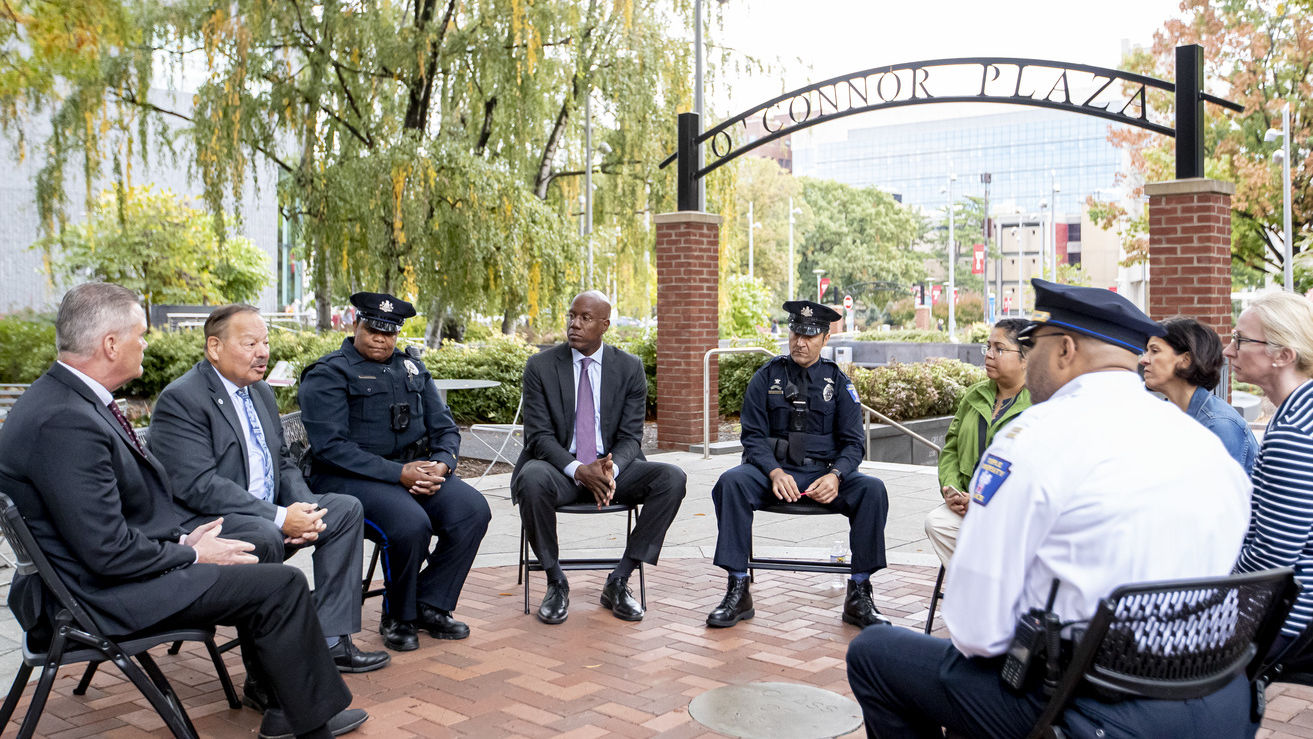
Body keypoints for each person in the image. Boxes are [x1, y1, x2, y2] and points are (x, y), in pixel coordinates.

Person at [846, 279, 1255, 738]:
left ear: (1064, 350)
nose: (1028, 358)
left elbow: (975, 632)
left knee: (874, 655)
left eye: (1031, 344)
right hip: (1216, 701)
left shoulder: (1033, 439)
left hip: (1086, 708)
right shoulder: (1205, 444)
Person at [0, 283, 366, 739]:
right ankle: (303, 720)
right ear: (110, 345)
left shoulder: (64, 401)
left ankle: (293, 711)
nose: (146, 344)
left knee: (274, 576)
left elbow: (104, 526)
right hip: (97, 598)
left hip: (102, 577)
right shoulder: (65, 420)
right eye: (140, 334)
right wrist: (192, 553)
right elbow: (107, 551)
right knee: (281, 584)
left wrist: (180, 541)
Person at [149, 305, 390, 686]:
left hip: (268, 510)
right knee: (261, 537)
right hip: (211, 522)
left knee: (344, 510)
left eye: (266, 342)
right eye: (250, 343)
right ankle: (262, 677)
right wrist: (279, 518)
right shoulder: (182, 399)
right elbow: (199, 485)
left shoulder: (259, 391)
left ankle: (331, 640)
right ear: (215, 347)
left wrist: (304, 510)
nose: (263, 352)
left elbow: (281, 461)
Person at [298, 292, 491, 652]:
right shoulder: (329, 373)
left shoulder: (411, 369)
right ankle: (398, 616)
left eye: (389, 333)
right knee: (409, 524)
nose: (380, 339)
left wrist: (443, 464)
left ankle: (430, 604)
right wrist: (399, 473)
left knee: (472, 511)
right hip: (349, 479)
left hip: (410, 473)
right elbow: (332, 448)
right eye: (373, 329)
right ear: (356, 325)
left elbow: (445, 427)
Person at [707, 300, 891, 629]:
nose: (799, 342)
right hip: (773, 475)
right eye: (795, 333)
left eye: (809, 336)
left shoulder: (839, 384)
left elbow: (853, 444)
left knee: (873, 490)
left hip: (823, 476)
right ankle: (738, 588)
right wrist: (773, 471)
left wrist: (836, 476)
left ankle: (859, 593)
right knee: (730, 483)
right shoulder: (766, 377)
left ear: (825, 339)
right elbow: (751, 436)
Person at [512, 290, 686, 624]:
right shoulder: (540, 366)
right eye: (571, 316)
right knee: (531, 478)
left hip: (610, 471)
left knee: (672, 478)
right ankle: (555, 581)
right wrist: (579, 470)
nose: (574, 324)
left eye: (585, 318)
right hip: (559, 470)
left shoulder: (629, 367)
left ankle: (619, 580)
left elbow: (631, 437)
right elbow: (538, 438)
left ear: (605, 325)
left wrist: (610, 470)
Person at [1229, 292, 1313, 665]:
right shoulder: (1299, 410)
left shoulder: (1292, 433)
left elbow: (1272, 558)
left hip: (1289, 619)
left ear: (1283, 355)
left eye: (1241, 340)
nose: (1229, 351)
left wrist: (1208, 600)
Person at [924, 318, 1031, 567]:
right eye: (988, 347)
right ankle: (982, 587)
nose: (990, 355)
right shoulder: (975, 394)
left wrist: (985, 501)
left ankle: (980, 590)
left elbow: (1032, 472)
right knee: (937, 522)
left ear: (1025, 358)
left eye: (1000, 349)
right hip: (966, 503)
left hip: (1008, 511)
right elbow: (951, 449)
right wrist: (950, 489)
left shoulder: (1038, 404)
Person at [1140, 315, 1257, 472]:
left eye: (1154, 351)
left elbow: (1215, 493)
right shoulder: (1166, 415)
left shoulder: (1220, 425)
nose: (1144, 360)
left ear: (1186, 359)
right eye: (1146, 351)